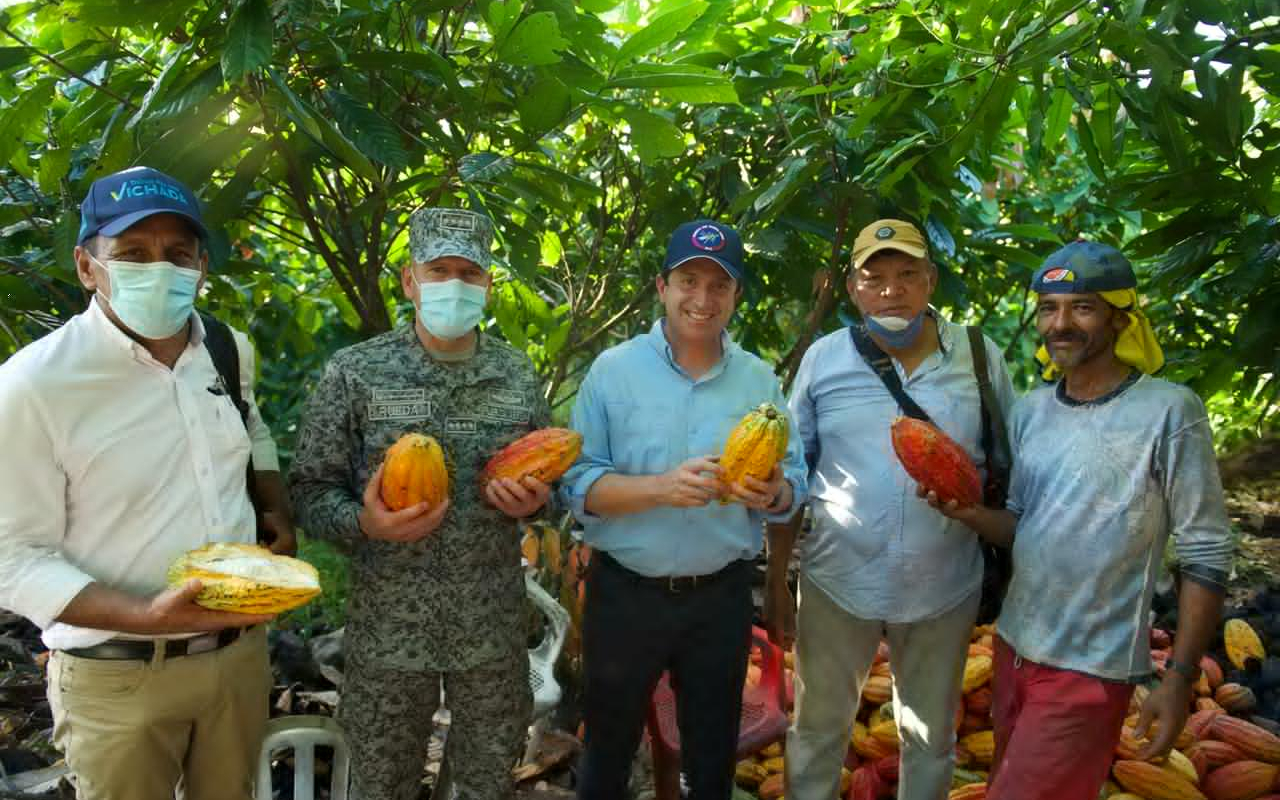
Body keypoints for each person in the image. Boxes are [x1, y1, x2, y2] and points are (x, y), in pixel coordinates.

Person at [0, 166, 292, 800]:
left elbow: (253, 428)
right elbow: (12, 559)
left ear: (201, 266)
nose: (159, 269)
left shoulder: (225, 348)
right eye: (132, 253)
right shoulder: (34, 385)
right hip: (120, 676)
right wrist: (145, 616)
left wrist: (273, 507)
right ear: (87, 267)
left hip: (238, 659)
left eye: (177, 254)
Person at [922, 241, 1232, 800]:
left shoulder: (1169, 411)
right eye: (1048, 308)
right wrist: (967, 513)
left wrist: (1180, 678)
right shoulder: (1031, 411)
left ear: (1120, 316)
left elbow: (1206, 553)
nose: (1060, 324)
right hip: (1014, 649)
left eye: (1082, 307)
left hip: (1092, 667)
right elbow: (1021, 525)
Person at [289, 207, 552, 800]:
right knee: (380, 785)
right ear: (410, 281)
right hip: (389, 631)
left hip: (490, 627)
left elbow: (548, 481)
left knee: (486, 785)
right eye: (439, 271)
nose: (454, 285)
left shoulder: (514, 374)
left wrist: (533, 504)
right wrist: (364, 523)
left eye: (469, 273)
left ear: (488, 284)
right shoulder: (357, 372)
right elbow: (309, 490)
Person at [765, 218, 1017, 800]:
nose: (891, 290)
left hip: (943, 585)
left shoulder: (979, 357)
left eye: (907, 274)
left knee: (931, 737)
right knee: (817, 728)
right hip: (837, 580)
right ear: (852, 288)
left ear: (931, 280)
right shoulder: (825, 359)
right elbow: (794, 472)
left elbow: (1012, 464)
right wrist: (777, 578)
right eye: (873, 278)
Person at [561, 219, 808, 800]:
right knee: (607, 755)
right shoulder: (614, 371)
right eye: (688, 281)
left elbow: (794, 484)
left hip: (718, 598)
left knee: (712, 760)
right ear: (662, 287)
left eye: (719, 285)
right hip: (625, 594)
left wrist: (773, 492)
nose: (703, 298)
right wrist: (662, 488)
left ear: (736, 294)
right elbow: (577, 484)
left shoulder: (757, 380)